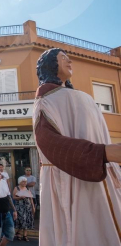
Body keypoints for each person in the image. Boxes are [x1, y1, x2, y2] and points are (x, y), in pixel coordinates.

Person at [34, 48, 121, 245]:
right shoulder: (46, 101)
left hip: (103, 175)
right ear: (50, 65)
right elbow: (49, 143)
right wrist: (104, 153)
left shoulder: (82, 97)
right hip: (70, 179)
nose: (69, 60)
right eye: (63, 58)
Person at [12, 176, 35, 241]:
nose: (25, 183)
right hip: (20, 207)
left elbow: (31, 198)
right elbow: (13, 197)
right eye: (23, 181)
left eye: (25, 182)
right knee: (22, 220)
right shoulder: (16, 188)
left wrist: (33, 206)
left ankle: (25, 235)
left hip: (27, 207)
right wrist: (20, 197)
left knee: (27, 220)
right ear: (20, 182)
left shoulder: (27, 188)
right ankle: (19, 232)